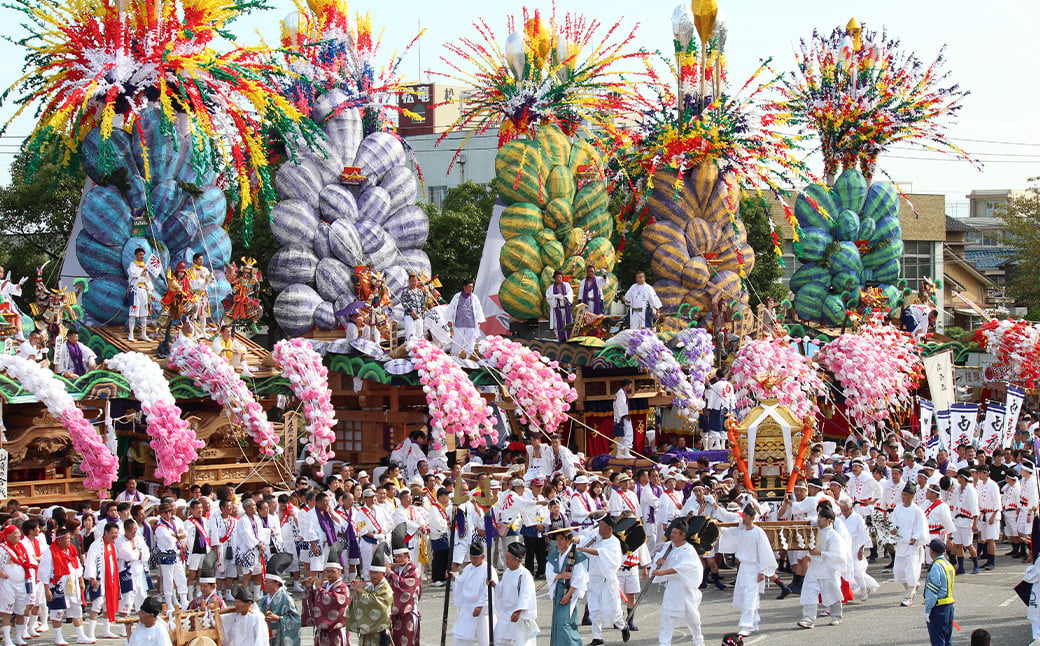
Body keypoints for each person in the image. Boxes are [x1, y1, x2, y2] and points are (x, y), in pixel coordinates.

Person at [721, 503, 778, 637]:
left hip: (754, 568)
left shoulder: (758, 532)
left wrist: (762, 571)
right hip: (743, 568)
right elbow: (727, 533)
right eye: (743, 516)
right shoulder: (740, 531)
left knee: (749, 597)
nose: (744, 518)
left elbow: (764, 552)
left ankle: (746, 625)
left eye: (746, 516)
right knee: (744, 595)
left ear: (753, 518)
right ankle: (754, 622)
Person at [575, 515, 629, 645]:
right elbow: (584, 539)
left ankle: (623, 626)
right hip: (594, 578)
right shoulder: (596, 534)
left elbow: (603, 553)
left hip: (607, 580)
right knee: (594, 610)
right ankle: (597, 637)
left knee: (612, 611)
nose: (599, 527)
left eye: (602, 525)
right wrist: (571, 539)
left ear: (609, 528)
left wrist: (586, 549)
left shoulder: (614, 542)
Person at [653, 518, 704, 646]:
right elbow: (659, 558)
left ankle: (698, 640)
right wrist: (658, 562)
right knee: (667, 616)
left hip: (685, 588)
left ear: (683, 535)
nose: (672, 535)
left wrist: (663, 572)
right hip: (672, 588)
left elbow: (683, 568)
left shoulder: (689, 550)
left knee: (692, 618)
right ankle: (664, 642)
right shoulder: (668, 546)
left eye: (676, 533)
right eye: (672, 532)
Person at [796, 505, 844, 629]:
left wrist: (821, 553)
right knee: (809, 591)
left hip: (828, 567)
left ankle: (836, 615)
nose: (819, 519)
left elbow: (837, 555)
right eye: (819, 516)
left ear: (829, 520)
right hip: (814, 567)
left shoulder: (834, 536)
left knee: (832, 591)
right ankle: (808, 619)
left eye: (822, 517)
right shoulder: (814, 532)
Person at [545, 529, 588, 646]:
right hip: (557, 591)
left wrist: (568, 595)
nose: (558, 542)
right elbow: (549, 574)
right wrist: (560, 575)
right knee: (557, 622)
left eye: (562, 539)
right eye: (557, 539)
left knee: (564, 622)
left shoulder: (576, 556)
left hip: (569, 592)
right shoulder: (554, 556)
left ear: (569, 541)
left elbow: (579, 578)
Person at [346, 546, 394, 646]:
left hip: (379, 632)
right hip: (368, 632)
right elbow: (359, 605)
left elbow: (377, 604)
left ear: (383, 573)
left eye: (375, 573)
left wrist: (360, 592)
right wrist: (356, 593)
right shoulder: (369, 589)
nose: (372, 575)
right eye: (371, 572)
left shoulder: (386, 589)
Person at [890, 482, 929, 607]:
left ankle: (909, 595)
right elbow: (894, 523)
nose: (903, 497)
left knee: (911, 570)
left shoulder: (917, 511)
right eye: (902, 494)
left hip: (912, 546)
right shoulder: (898, 508)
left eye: (906, 495)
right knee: (899, 571)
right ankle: (910, 588)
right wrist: (893, 530)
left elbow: (921, 527)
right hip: (901, 544)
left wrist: (916, 537)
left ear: (912, 496)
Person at [452, 540, 496, 646]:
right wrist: (454, 579)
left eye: (475, 558)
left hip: (482, 609)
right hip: (468, 607)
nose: (472, 560)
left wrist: (480, 605)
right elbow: (461, 582)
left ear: (482, 556)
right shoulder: (468, 568)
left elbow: (488, 589)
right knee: (461, 636)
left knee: (485, 638)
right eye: (471, 557)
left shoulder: (489, 569)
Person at [83, 522, 122, 641]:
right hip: (100, 579)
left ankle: (106, 630)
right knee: (97, 606)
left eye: (116, 533)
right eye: (112, 533)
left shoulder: (113, 546)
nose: (115, 535)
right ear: (106, 532)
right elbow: (90, 561)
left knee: (107, 605)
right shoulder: (97, 545)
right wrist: (92, 578)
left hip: (111, 579)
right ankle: (90, 633)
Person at [306, 545, 349, 646]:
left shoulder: (342, 588)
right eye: (327, 571)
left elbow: (334, 601)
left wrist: (319, 589)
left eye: (332, 571)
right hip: (322, 631)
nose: (329, 574)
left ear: (340, 572)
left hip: (336, 631)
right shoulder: (324, 586)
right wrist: (310, 589)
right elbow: (315, 601)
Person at [495, 542, 537, 646]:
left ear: (516, 560)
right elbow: (502, 589)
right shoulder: (507, 572)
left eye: (508, 558)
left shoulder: (524, 575)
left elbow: (526, 596)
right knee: (499, 639)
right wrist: (494, 585)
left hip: (518, 614)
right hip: (506, 613)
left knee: (520, 642)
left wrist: (518, 611)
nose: (506, 561)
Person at [386, 527, 422, 646]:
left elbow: (405, 587)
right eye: (396, 557)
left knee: (407, 642)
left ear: (407, 555)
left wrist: (390, 574)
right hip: (395, 614)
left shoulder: (413, 570)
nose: (398, 559)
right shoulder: (395, 568)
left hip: (408, 612)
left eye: (401, 556)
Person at [154, 502, 189, 614]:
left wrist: (177, 535)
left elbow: (184, 533)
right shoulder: (160, 526)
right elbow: (168, 540)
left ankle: (184, 600)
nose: (168, 514)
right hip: (167, 555)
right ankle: (169, 602)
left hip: (177, 553)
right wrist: (178, 536)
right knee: (168, 579)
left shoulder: (174, 522)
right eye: (165, 512)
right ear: (161, 513)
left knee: (181, 577)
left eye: (169, 511)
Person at [258, 554, 301, 646]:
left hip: (280, 637)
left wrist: (278, 619)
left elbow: (296, 619)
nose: (264, 584)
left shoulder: (286, 599)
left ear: (276, 583)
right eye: (264, 581)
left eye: (267, 582)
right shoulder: (263, 600)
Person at [0, 525, 29, 646]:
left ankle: (18, 636)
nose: (18, 535)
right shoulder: (2, 549)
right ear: (8, 536)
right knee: (7, 611)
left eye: (18, 533)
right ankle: (7, 639)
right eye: (15, 533)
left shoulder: (21, 547)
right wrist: (2, 573)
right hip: (7, 584)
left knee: (20, 611)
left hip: (21, 583)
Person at [923, 538, 956, 646]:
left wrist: (927, 610)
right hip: (949, 606)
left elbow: (932, 591)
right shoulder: (948, 565)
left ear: (932, 551)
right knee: (947, 640)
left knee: (938, 640)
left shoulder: (936, 566)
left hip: (938, 608)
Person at [950, 468, 980, 574]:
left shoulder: (971, 491)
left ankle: (976, 565)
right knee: (958, 544)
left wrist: (975, 522)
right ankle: (961, 567)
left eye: (958, 477)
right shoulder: (958, 489)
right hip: (957, 520)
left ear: (962, 478)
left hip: (967, 521)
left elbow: (974, 507)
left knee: (968, 544)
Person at [446, 279, 485, 357]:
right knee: (457, 340)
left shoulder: (474, 298)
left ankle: (467, 357)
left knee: (470, 342)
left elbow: (478, 310)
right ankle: (455, 356)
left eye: (472, 287)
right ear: (464, 287)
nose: (471, 289)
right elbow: (451, 309)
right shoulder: (457, 296)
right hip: (458, 323)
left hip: (470, 324)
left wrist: (479, 322)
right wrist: (449, 320)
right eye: (469, 287)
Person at [126, 247, 153, 342]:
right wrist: (142, 271)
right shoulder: (132, 264)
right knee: (133, 314)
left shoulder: (145, 266)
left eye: (143, 255)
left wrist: (150, 291)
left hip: (143, 291)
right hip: (136, 290)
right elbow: (134, 274)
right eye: (140, 254)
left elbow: (148, 280)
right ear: (136, 255)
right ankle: (131, 334)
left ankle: (143, 334)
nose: (142, 256)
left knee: (144, 315)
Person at [186, 253, 213, 332]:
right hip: (195, 295)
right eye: (199, 259)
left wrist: (212, 278)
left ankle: (203, 331)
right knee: (193, 314)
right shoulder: (190, 271)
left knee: (203, 315)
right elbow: (189, 284)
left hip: (203, 295)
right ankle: (193, 332)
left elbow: (210, 282)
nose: (201, 261)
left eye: (202, 259)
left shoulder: (205, 270)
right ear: (195, 260)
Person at [546, 271, 573, 343]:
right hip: (558, 309)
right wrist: (556, 297)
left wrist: (565, 297)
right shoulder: (551, 288)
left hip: (566, 308)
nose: (559, 279)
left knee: (567, 324)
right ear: (555, 278)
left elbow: (570, 294)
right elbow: (549, 297)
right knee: (557, 325)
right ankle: (560, 339)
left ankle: (568, 338)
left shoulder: (566, 285)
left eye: (560, 277)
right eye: (557, 277)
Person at [399, 273, 427, 341]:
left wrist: (422, 314)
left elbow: (423, 303)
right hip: (409, 316)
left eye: (415, 281)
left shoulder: (420, 292)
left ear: (417, 281)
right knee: (410, 334)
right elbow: (404, 302)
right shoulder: (406, 291)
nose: (413, 283)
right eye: (412, 281)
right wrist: (411, 311)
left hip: (419, 316)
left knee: (419, 335)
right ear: (409, 281)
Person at [613, 380, 635, 459]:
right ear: (626, 385)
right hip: (623, 417)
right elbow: (621, 405)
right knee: (627, 434)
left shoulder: (620, 393)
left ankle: (620, 453)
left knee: (622, 435)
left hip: (620, 416)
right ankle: (626, 452)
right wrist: (625, 414)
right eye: (630, 385)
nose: (630, 387)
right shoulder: (621, 393)